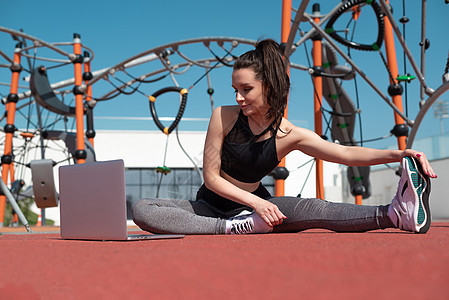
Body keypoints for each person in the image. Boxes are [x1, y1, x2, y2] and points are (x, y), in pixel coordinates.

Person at [132, 39, 437, 235]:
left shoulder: (290, 134)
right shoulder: (222, 116)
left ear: (269, 86)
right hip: (210, 208)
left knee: (319, 209)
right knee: (143, 209)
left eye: (246, 89)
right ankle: (229, 229)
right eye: (235, 90)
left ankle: (396, 214)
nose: (238, 97)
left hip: (254, 212)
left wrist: (399, 154)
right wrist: (250, 213)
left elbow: (344, 154)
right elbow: (211, 178)